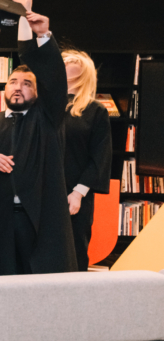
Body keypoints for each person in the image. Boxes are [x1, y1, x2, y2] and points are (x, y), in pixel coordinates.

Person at [0, 0, 78, 274]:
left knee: (37, 285)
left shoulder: (46, 118)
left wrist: (40, 32)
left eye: (27, 83)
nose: (18, 87)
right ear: (4, 88)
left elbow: (53, 79)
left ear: (37, 93)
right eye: (13, 82)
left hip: (37, 221)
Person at [62, 50, 112, 271]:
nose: (68, 65)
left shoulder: (95, 111)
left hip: (75, 193)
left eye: (73, 63)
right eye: (65, 62)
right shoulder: (43, 106)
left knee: (73, 252)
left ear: (84, 74)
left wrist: (78, 193)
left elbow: (100, 156)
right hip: (43, 190)